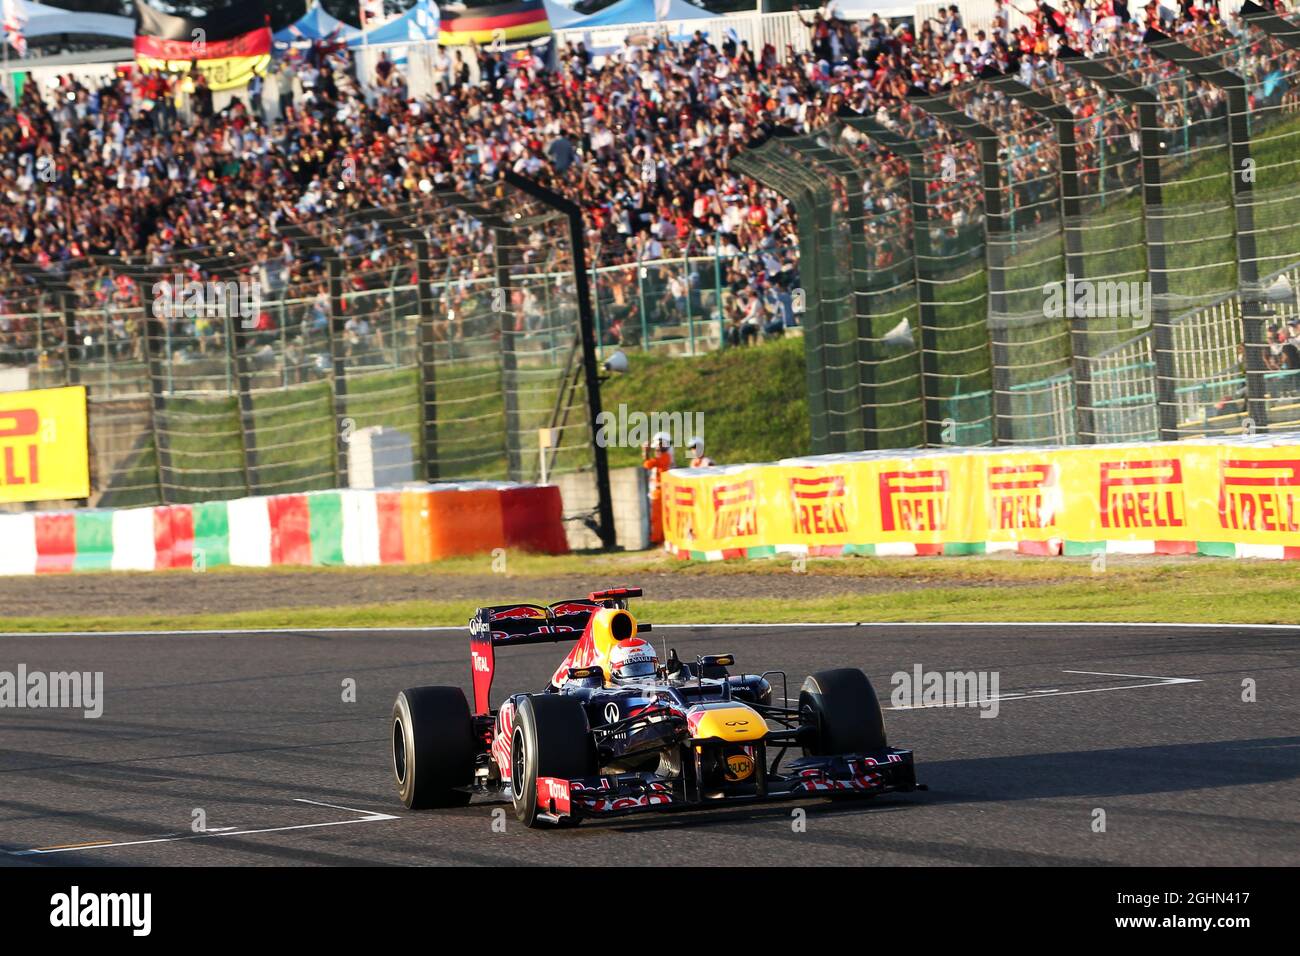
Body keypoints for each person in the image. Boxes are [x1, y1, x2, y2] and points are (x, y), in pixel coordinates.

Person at [641, 431, 674, 544]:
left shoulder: (666, 457)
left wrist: (645, 451)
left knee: (657, 517)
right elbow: (648, 464)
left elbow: (647, 464)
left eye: (661, 444)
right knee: (658, 517)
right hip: (659, 491)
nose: (658, 447)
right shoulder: (664, 456)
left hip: (662, 491)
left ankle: (657, 539)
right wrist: (646, 453)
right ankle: (659, 538)